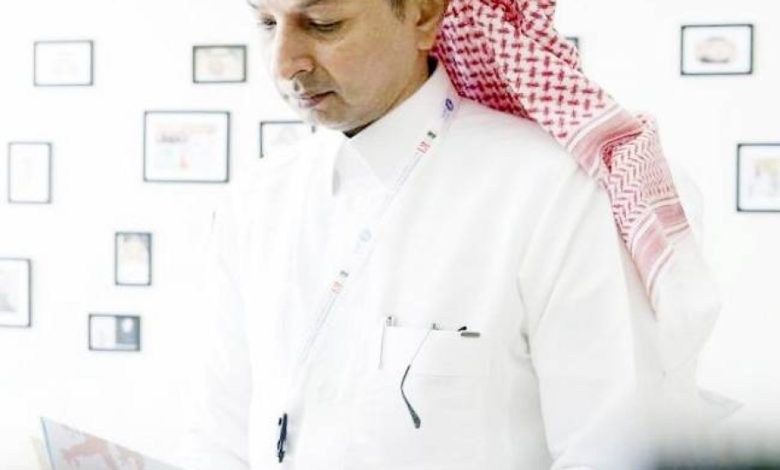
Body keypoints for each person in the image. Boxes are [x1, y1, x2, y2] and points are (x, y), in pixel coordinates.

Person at [174, 0, 724, 468]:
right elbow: (217, 433)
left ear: (423, 15)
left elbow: (613, 450)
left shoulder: (553, 193)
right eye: (266, 23)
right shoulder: (256, 200)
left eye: (323, 24)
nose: (283, 63)